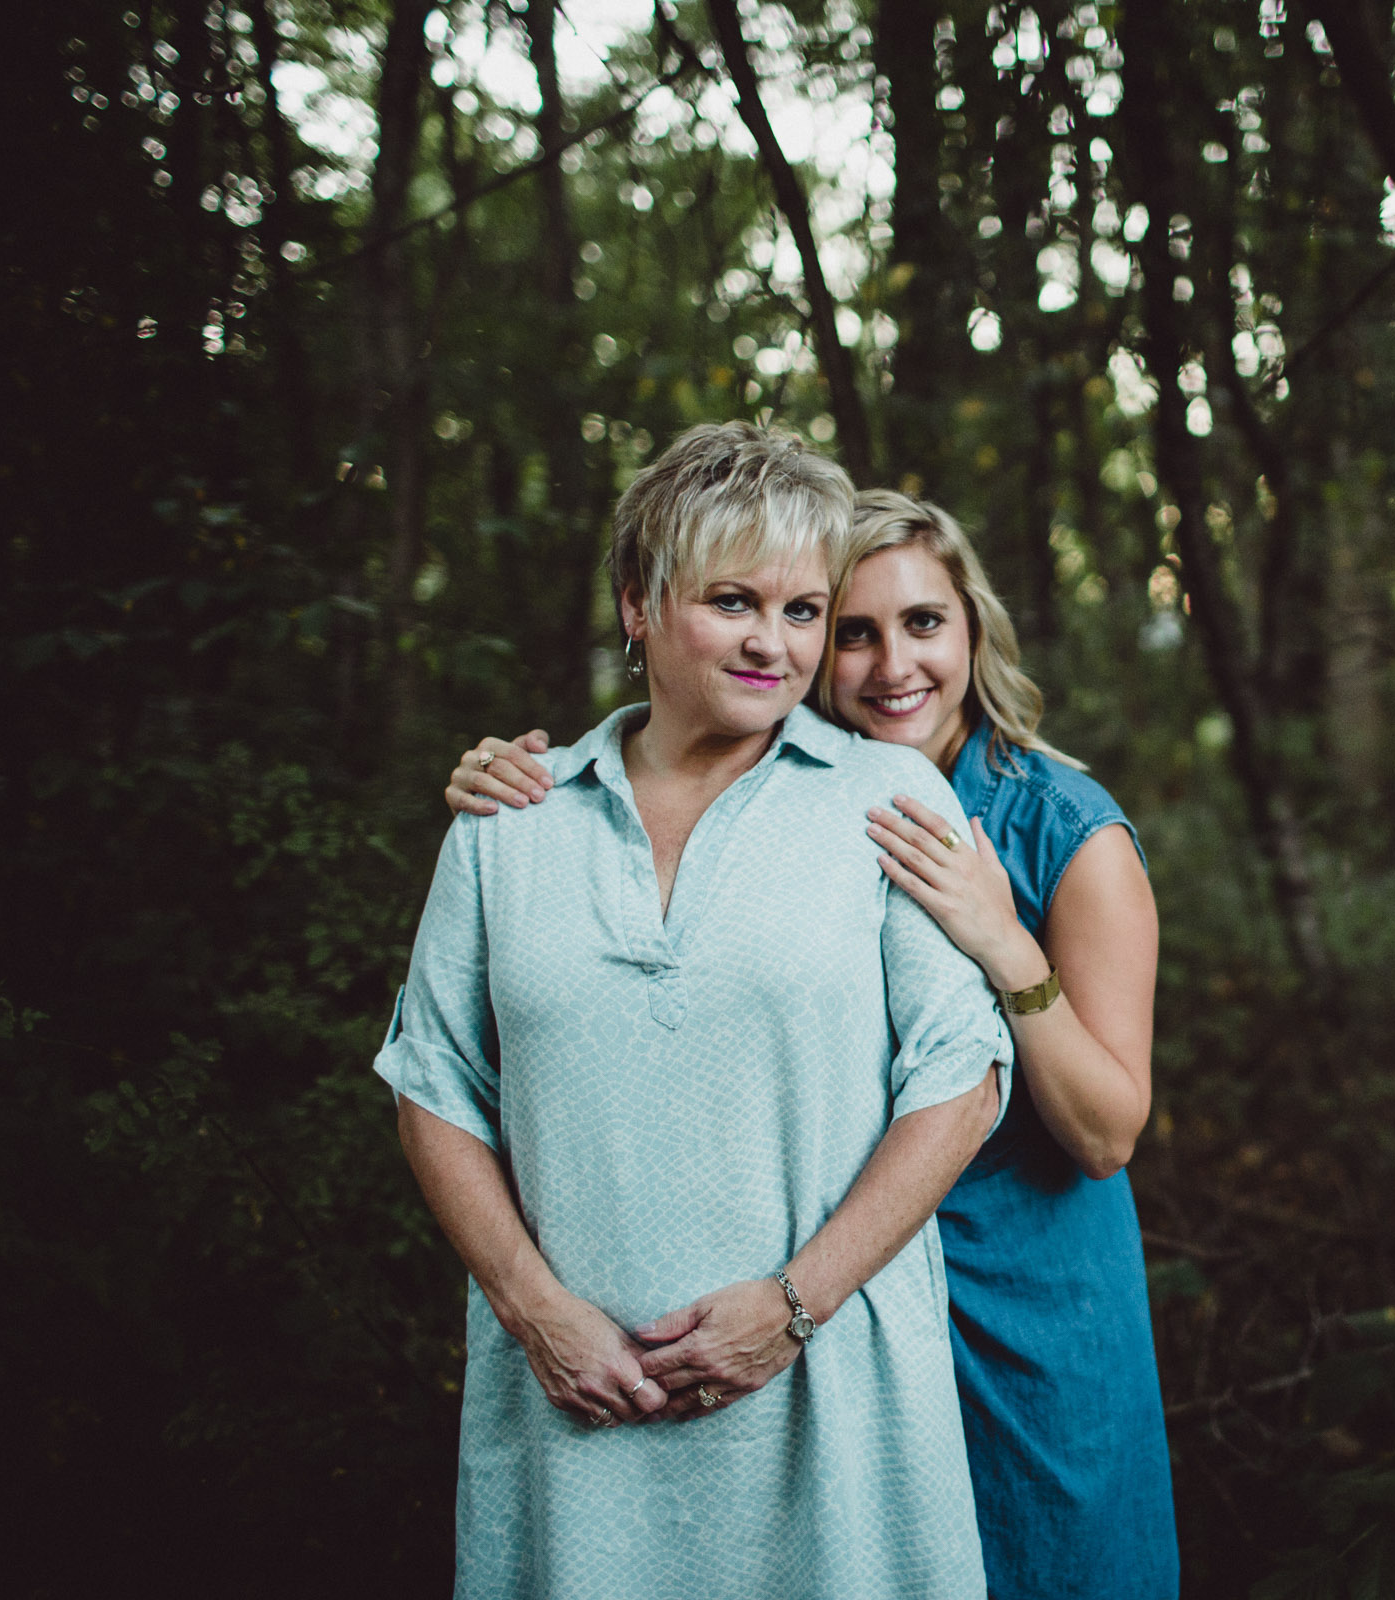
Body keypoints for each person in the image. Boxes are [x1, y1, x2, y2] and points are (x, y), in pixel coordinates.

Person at [447, 489, 1181, 1599]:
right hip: (862, 1287)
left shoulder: (1058, 824)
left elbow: (1108, 1132)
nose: (894, 664)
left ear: (973, 630)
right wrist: (515, 781)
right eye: (852, 629)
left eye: (924, 623)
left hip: (1017, 1283)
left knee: (1052, 1561)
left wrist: (1001, 939)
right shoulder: (810, 792)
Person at [384, 425, 1011, 1599]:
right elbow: (434, 1088)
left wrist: (792, 1305)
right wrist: (535, 1311)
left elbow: (960, 1079)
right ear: (637, 603)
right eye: (734, 601)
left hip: (829, 1397)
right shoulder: (509, 821)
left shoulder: (884, 795)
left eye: (804, 609)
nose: (775, 643)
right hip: (573, 1412)